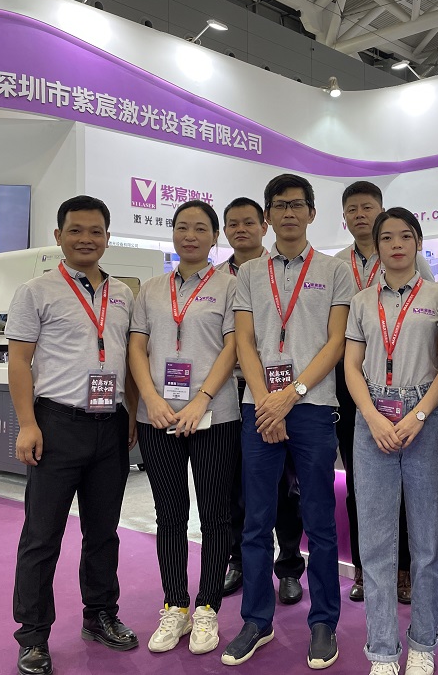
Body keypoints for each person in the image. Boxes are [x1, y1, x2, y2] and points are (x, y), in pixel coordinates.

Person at [222, 173, 352, 669]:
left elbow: (335, 343)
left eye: (298, 205)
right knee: (256, 520)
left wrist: (290, 396)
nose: (289, 213)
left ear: (312, 213)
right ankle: (257, 621)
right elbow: (244, 341)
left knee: (319, 520)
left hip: (313, 408)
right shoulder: (250, 273)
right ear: (268, 215)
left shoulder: (334, 270)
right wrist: (265, 401)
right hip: (259, 409)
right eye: (280, 205)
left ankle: (324, 622)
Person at [7, 195, 138, 675]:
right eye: (76, 230)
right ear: (58, 235)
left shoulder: (123, 293)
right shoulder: (35, 291)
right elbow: (19, 361)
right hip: (56, 424)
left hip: (110, 425)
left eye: (96, 231)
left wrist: (130, 413)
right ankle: (33, 636)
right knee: (42, 536)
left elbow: (128, 360)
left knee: (103, 532)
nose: (86, 239)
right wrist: (27, 424)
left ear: (108, 237)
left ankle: (100, 614)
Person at [128, 200, 240, 655]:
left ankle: (207, 607)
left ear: (215, 237)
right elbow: (137, 348)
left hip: (214, 415)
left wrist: (201, 399)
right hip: (157, 417)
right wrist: (151, 399)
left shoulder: (230, 286)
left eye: (200, 228)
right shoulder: (150, 290)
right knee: (170, 515)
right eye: (182, 227)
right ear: (172, 233)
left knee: (215, 515)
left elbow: (234, 347)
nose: (189, 235)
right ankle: (175, 605)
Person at [345, 207, 438, 675]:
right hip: (372, 419)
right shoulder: (361, 302)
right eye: (386, 237)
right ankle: (383, 650)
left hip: (426, 417)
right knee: (375, 545)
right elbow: (351, 366)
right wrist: (371, 417)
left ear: (418, 242)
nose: (396, 245)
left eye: (405, 236)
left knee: (427, 543)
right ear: (376, 246)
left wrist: (419, 414)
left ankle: (423, 644)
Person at [334, 181, 434, 603]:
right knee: (362, 485)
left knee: (412, 491)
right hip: (356, 383)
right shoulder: (337, 265)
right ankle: (365, 567)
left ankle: (405, 569)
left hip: (411, 388)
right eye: (352, 209)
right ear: (345, 218)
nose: (360, 214)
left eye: (368, 207)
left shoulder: (415, 265)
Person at [219, 197, 306, 605]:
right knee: (237, 488)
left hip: (284, 397)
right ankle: (239, 560)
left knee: (288, 488)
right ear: (225, 231)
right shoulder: (217, 280)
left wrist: (273, 400)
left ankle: (288, 565)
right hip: (233, 394)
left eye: (249, 222)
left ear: (264, 225)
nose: (241, 229)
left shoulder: (288, 273)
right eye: (233, 224)